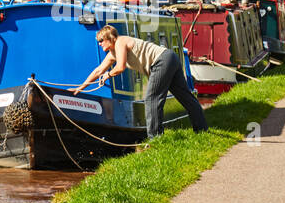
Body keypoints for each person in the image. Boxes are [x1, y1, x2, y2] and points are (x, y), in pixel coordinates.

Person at [73, 25, 208, 138]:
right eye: (98, 41)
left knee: (151, 99)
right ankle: (202, 131)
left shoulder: (120, 42)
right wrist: (80, 88)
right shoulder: (113, 53)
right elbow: (98, 71)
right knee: (186, 97)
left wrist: (109, 74)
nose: (99, 43)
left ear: (110, 37)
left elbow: (120, 67)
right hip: (170, 58)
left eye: (101, 40)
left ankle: (155, 138)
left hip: (161, 61)